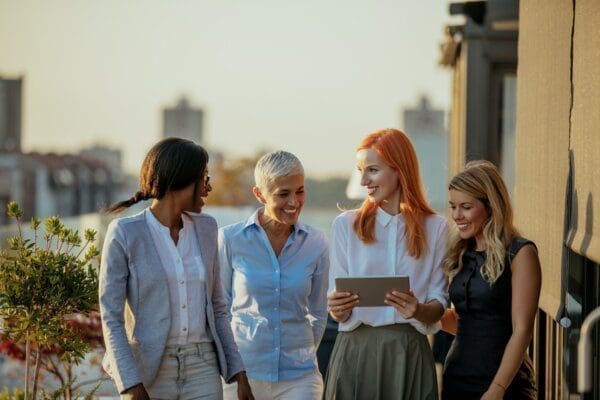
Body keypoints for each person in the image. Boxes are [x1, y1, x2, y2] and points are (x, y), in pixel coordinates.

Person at [99, 137, 253, 400]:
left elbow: (217, 307)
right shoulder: (124, 233)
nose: (208, 188)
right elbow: (111, 317)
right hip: (149, 371)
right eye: (204, 179)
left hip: (202, 366)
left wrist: (239, 372)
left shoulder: (207, 228)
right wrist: (130, 383)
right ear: (181, 180)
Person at [324, 128, 448, 400]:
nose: (364, 180)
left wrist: (418, 309)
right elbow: (338, 310)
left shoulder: (436, 228)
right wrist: (336, 308)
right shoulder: (345, 226)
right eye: (360, 170)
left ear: (399, 169)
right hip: (356, 350)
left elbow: (439, 305)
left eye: (372, 170)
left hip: (409, 351)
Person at [219, 151, 329, 400]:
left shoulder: (317, 243)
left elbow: (319, 312)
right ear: (259, 194)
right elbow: (221, 309)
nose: (294, 202)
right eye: (283, 194)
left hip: (300, 378)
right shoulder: (230, 239)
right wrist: (234, 369)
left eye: (300, 191)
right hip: (243, 374)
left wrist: (301, 352)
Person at [441, 160, 541, 400]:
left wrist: (497, 389)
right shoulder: (460, 253)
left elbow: (522, 329)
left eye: (465, 207)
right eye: (453, 206)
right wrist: (419, 309)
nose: (457, 216)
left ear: (490, 206)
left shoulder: (520, 253)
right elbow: (463, 323)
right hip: (456, 380)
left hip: (503, 385)